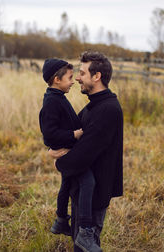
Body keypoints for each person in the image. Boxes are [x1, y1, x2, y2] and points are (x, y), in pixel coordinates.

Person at [49, 51, 123, 252]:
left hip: (94, 194)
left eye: (82, 73)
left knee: (84, 247)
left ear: (96, 76)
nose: (78, 78)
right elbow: (70, 136)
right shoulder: (94, 106)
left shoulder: (107, 109)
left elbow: (83, 154)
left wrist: (59, 162)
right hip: (82, 190)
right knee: (78, 244)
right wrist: (54, 146)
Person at [39, 58, 102, 252]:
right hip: (67, 151)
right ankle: (84, 231)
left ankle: (60, 220)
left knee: (66, 184)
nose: (73, 81)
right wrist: (72, 135)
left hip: (67, 150)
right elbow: (48, 132)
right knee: (88, 182)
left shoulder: (57, 96)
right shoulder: (51, 101)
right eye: (69, 78)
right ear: (57, 80)